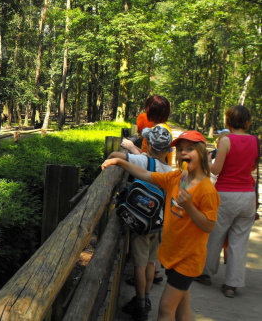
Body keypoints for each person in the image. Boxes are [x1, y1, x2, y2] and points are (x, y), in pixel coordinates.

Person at [102, 130, 220, 321]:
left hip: (187, 260)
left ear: (202, 152)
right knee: (182, 306)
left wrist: (189, 206)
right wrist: (120, 162)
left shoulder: (207, 190)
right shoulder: (175, 178)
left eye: (190, 149)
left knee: (165, 309)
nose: (184, 153)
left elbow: (209, 226)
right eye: (180, 149)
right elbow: (146, 175)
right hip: (172, 255)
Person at [110, 126, 173, 321]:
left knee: (139, 264)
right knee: (150, 263)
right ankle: (146, 298)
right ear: (169, 150)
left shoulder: (143, 161)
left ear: (150, 145)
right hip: (158, 225)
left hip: (140, 225)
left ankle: (140, 303)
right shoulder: (170, 170)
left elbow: (114, 154)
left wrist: (128, 152)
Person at [195, 106, 258, 298]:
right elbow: (253, 166)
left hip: (226, 194)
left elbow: (216, 170)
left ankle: (205, 273)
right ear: (248, 122)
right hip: (248, 195)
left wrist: (207, 159)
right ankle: (232, 284)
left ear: (228, 121)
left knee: (215, 234)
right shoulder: (255, 141)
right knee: (239, 241)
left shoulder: (226, 141)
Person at [135, 96, 174, 166]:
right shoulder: (164, 129)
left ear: (149, 110)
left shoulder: (157, 133)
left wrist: (131, 148)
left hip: (154, 175)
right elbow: (147, 153)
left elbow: (151, 161)